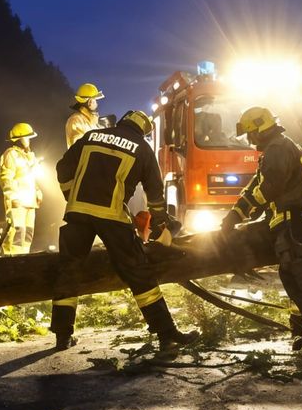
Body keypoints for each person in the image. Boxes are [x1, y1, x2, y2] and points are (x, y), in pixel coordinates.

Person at [50, 110, 198, 355]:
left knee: (69, 270)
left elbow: (63, 168)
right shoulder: (142, 148)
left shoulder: (93, 136)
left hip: (78, 213)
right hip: (111, 216)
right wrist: (162, 224)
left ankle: (62, 336)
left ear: (122, 122)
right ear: (144, 131)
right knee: (138, 272)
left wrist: (70, 195)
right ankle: (166, 333)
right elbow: (155, 195)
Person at [221, 106, 302, 355]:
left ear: (261, 129)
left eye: (251, 134)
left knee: (300, 276)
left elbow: (268, 189)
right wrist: (237, 212)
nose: (250, 140)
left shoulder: (277, 149)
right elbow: (257, 185)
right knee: (290, 276)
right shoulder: (276, 148)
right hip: (291, 219)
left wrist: (238, 215)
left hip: (294, 220)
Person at [0, 123, 43, 253]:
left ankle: (23, 258)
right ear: (19, 139)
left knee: (28, 233)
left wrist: (38, 192)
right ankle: (11, 259)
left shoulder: (28, 157)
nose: (28, 141)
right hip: (17, 201)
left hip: (30, 201)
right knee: (17, 231)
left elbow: (31, 177)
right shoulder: (11, 154)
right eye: (27, 138)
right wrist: (12, 197)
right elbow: (6, 178)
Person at [65, 82, 104, 150]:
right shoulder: (75, 120)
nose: (96, 104)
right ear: (89, 102)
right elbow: (78, 147)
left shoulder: (92, 122)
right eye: (95, 100)